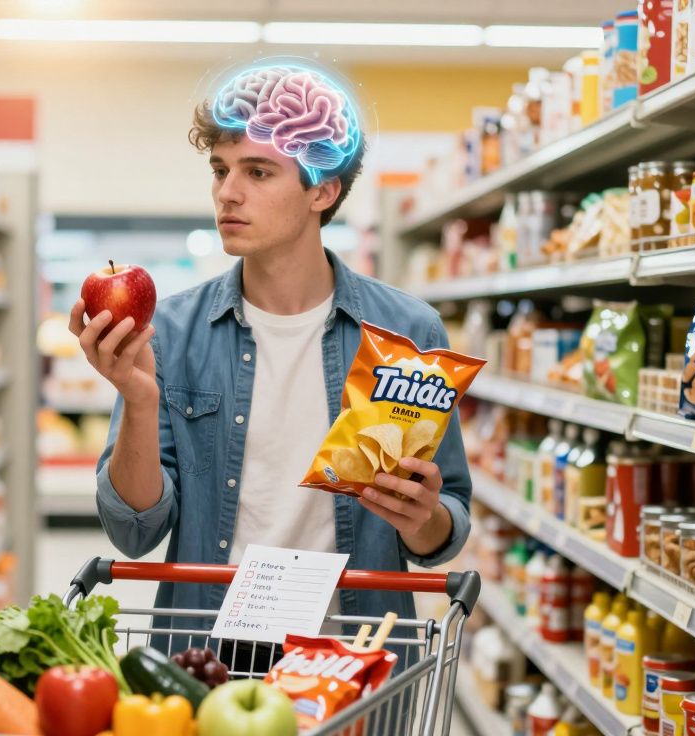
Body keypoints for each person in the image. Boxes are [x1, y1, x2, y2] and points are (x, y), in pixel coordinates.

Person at [68, 62, 474, 647]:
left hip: (355, 656)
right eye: (220, 170)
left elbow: (444, 529)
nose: (227, 192)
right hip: (208, 655)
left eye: (258, 172)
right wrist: (138, 400)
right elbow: (134, 532)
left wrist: (422, 518)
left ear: (322, 191)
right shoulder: (172, 331)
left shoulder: (406, 331)